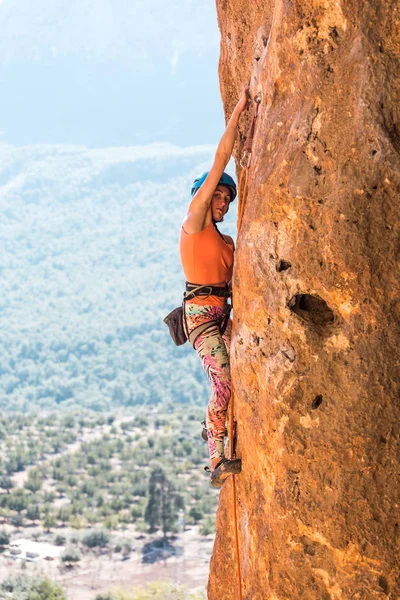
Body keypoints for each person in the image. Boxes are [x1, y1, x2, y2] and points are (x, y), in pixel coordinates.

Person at [179, 88, 249, 488]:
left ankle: (214, 425)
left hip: (221, 313)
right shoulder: (195, 224)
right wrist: (237, 113)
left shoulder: (225, 243)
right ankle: (216, 461)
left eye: (226, 197)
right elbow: (220, 160)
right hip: (202, 320)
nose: (222, 201)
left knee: (231, 377)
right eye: (216, 195)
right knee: (221, 381)